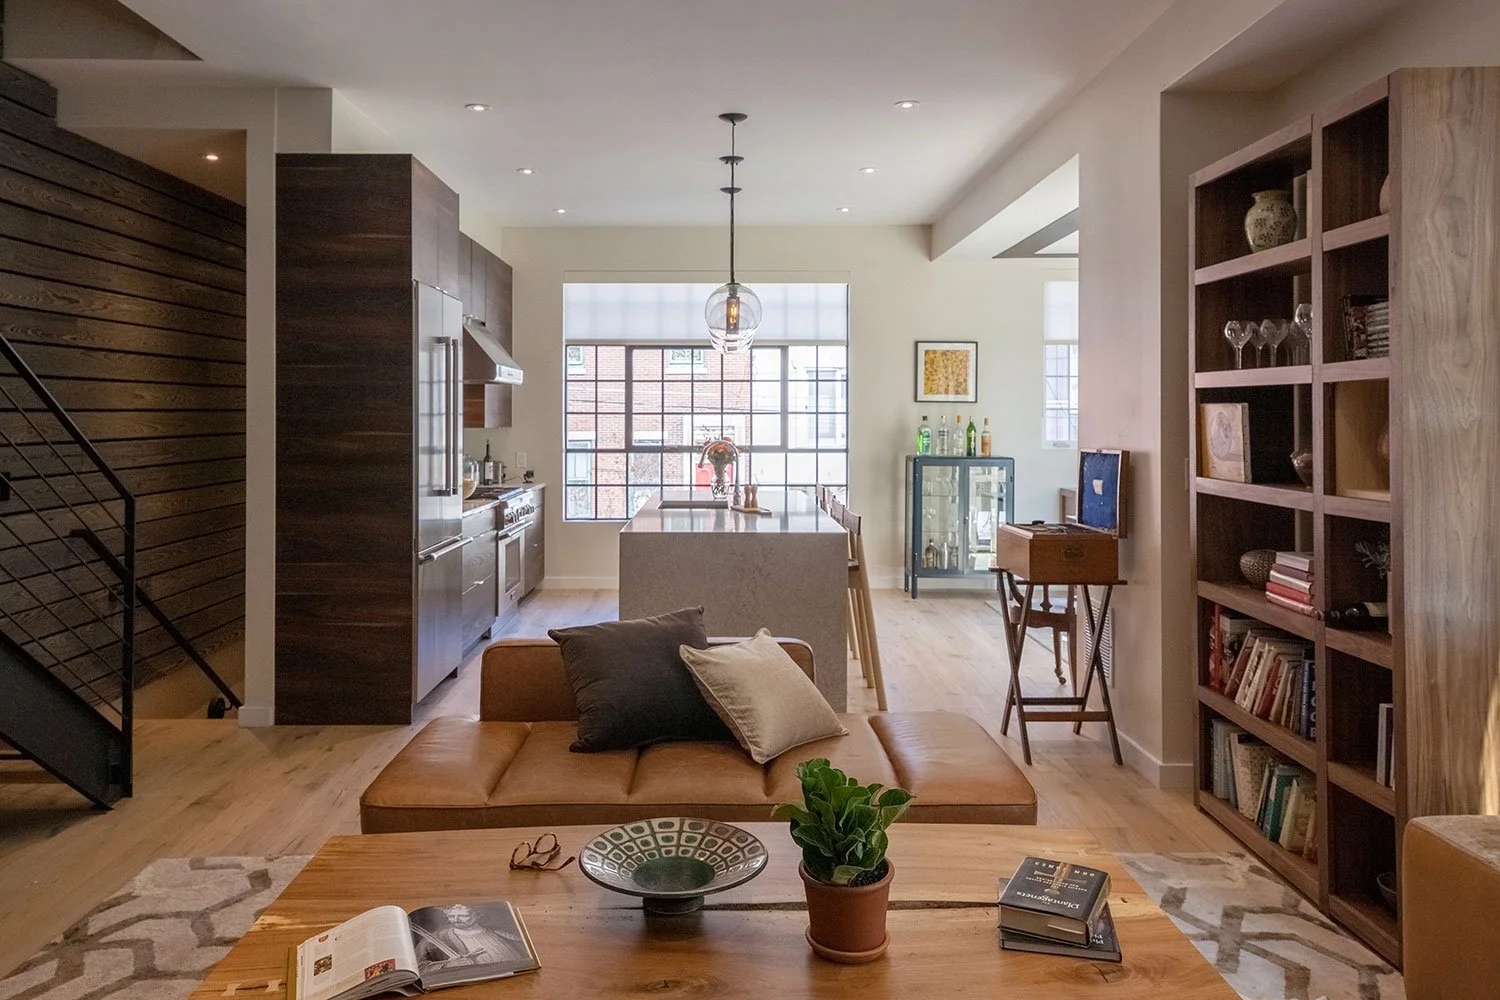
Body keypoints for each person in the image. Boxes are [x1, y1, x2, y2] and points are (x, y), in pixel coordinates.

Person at [416, 905, 526, 970]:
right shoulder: (433, 940)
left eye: (463, 916)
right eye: (451, 916)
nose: (456, 919)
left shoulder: (503, 933)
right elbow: (418, 968)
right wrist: (446, 966)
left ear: (478, 915)